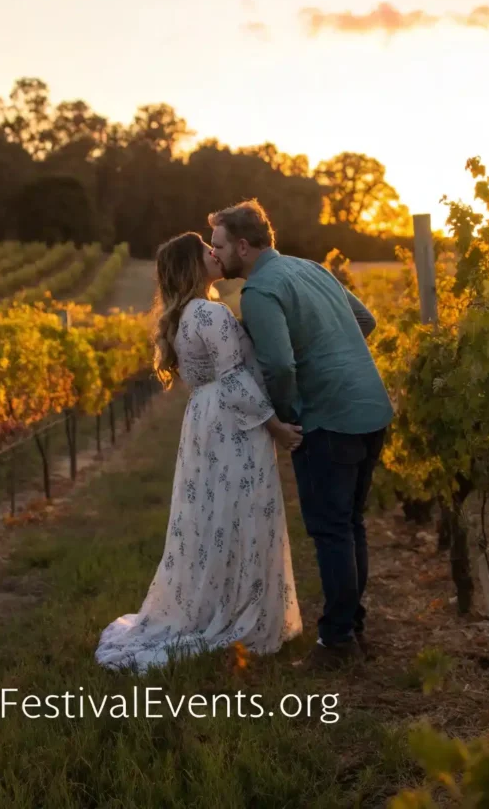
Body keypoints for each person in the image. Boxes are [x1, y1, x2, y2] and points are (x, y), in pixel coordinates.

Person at [94, 231, 303, 673]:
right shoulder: (209, 312)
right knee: (242, 512)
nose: (215, 253)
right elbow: (234, 379)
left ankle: (217, 602)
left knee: (216, 517)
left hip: (205, 420)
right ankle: (238, 612)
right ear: (193, 265)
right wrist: (277, 427)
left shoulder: (186, 314)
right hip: (231, 422)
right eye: (206, 251)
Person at [209, 200, 393, 669]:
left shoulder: (260, 290)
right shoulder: (310, 268)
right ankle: (352, 629)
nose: (215, 254)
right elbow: (366, 321)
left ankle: (337, 643)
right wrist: (337, 358)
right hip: (371, 406)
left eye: (220, 245)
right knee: (349, 525)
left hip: (329, 419)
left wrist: (287, 419)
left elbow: (280, 365)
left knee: (332, 530)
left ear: (243, 246)